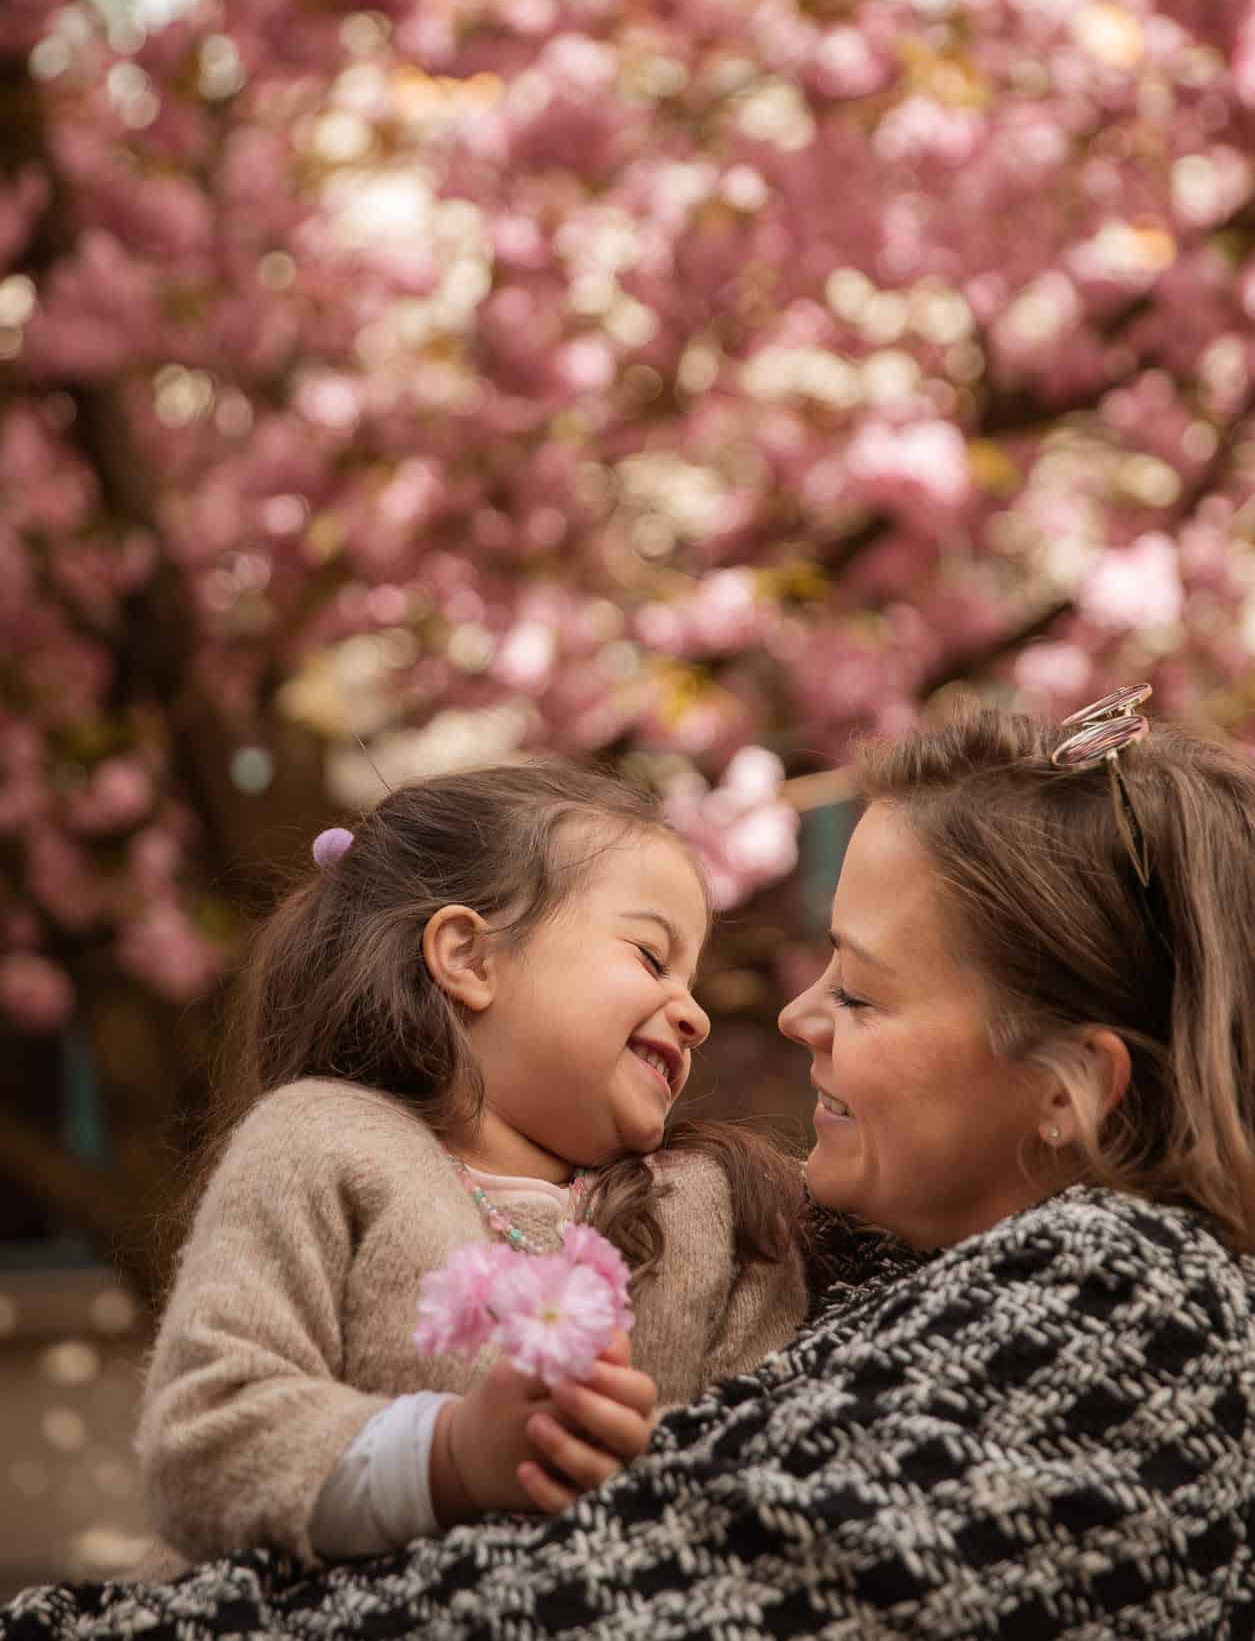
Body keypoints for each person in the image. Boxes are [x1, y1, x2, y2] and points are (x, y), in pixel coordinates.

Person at [9, 691, 1255, 1639]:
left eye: (864, 993)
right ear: (465, 956)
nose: (785, 1014)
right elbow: (216, 1432)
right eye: (650, 957)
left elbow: (597, 1583)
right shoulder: (337, 1149)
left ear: (1065, 1089)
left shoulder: (1116, 1302)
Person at [129, 761, 808, 1571]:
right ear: (469, 958)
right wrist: (448, 1457)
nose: (694, 1014)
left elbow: (773, 1463)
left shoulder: (718, 1212)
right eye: (650, 958)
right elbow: (202, 1443)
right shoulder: (319, 1143)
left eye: (692, 981)